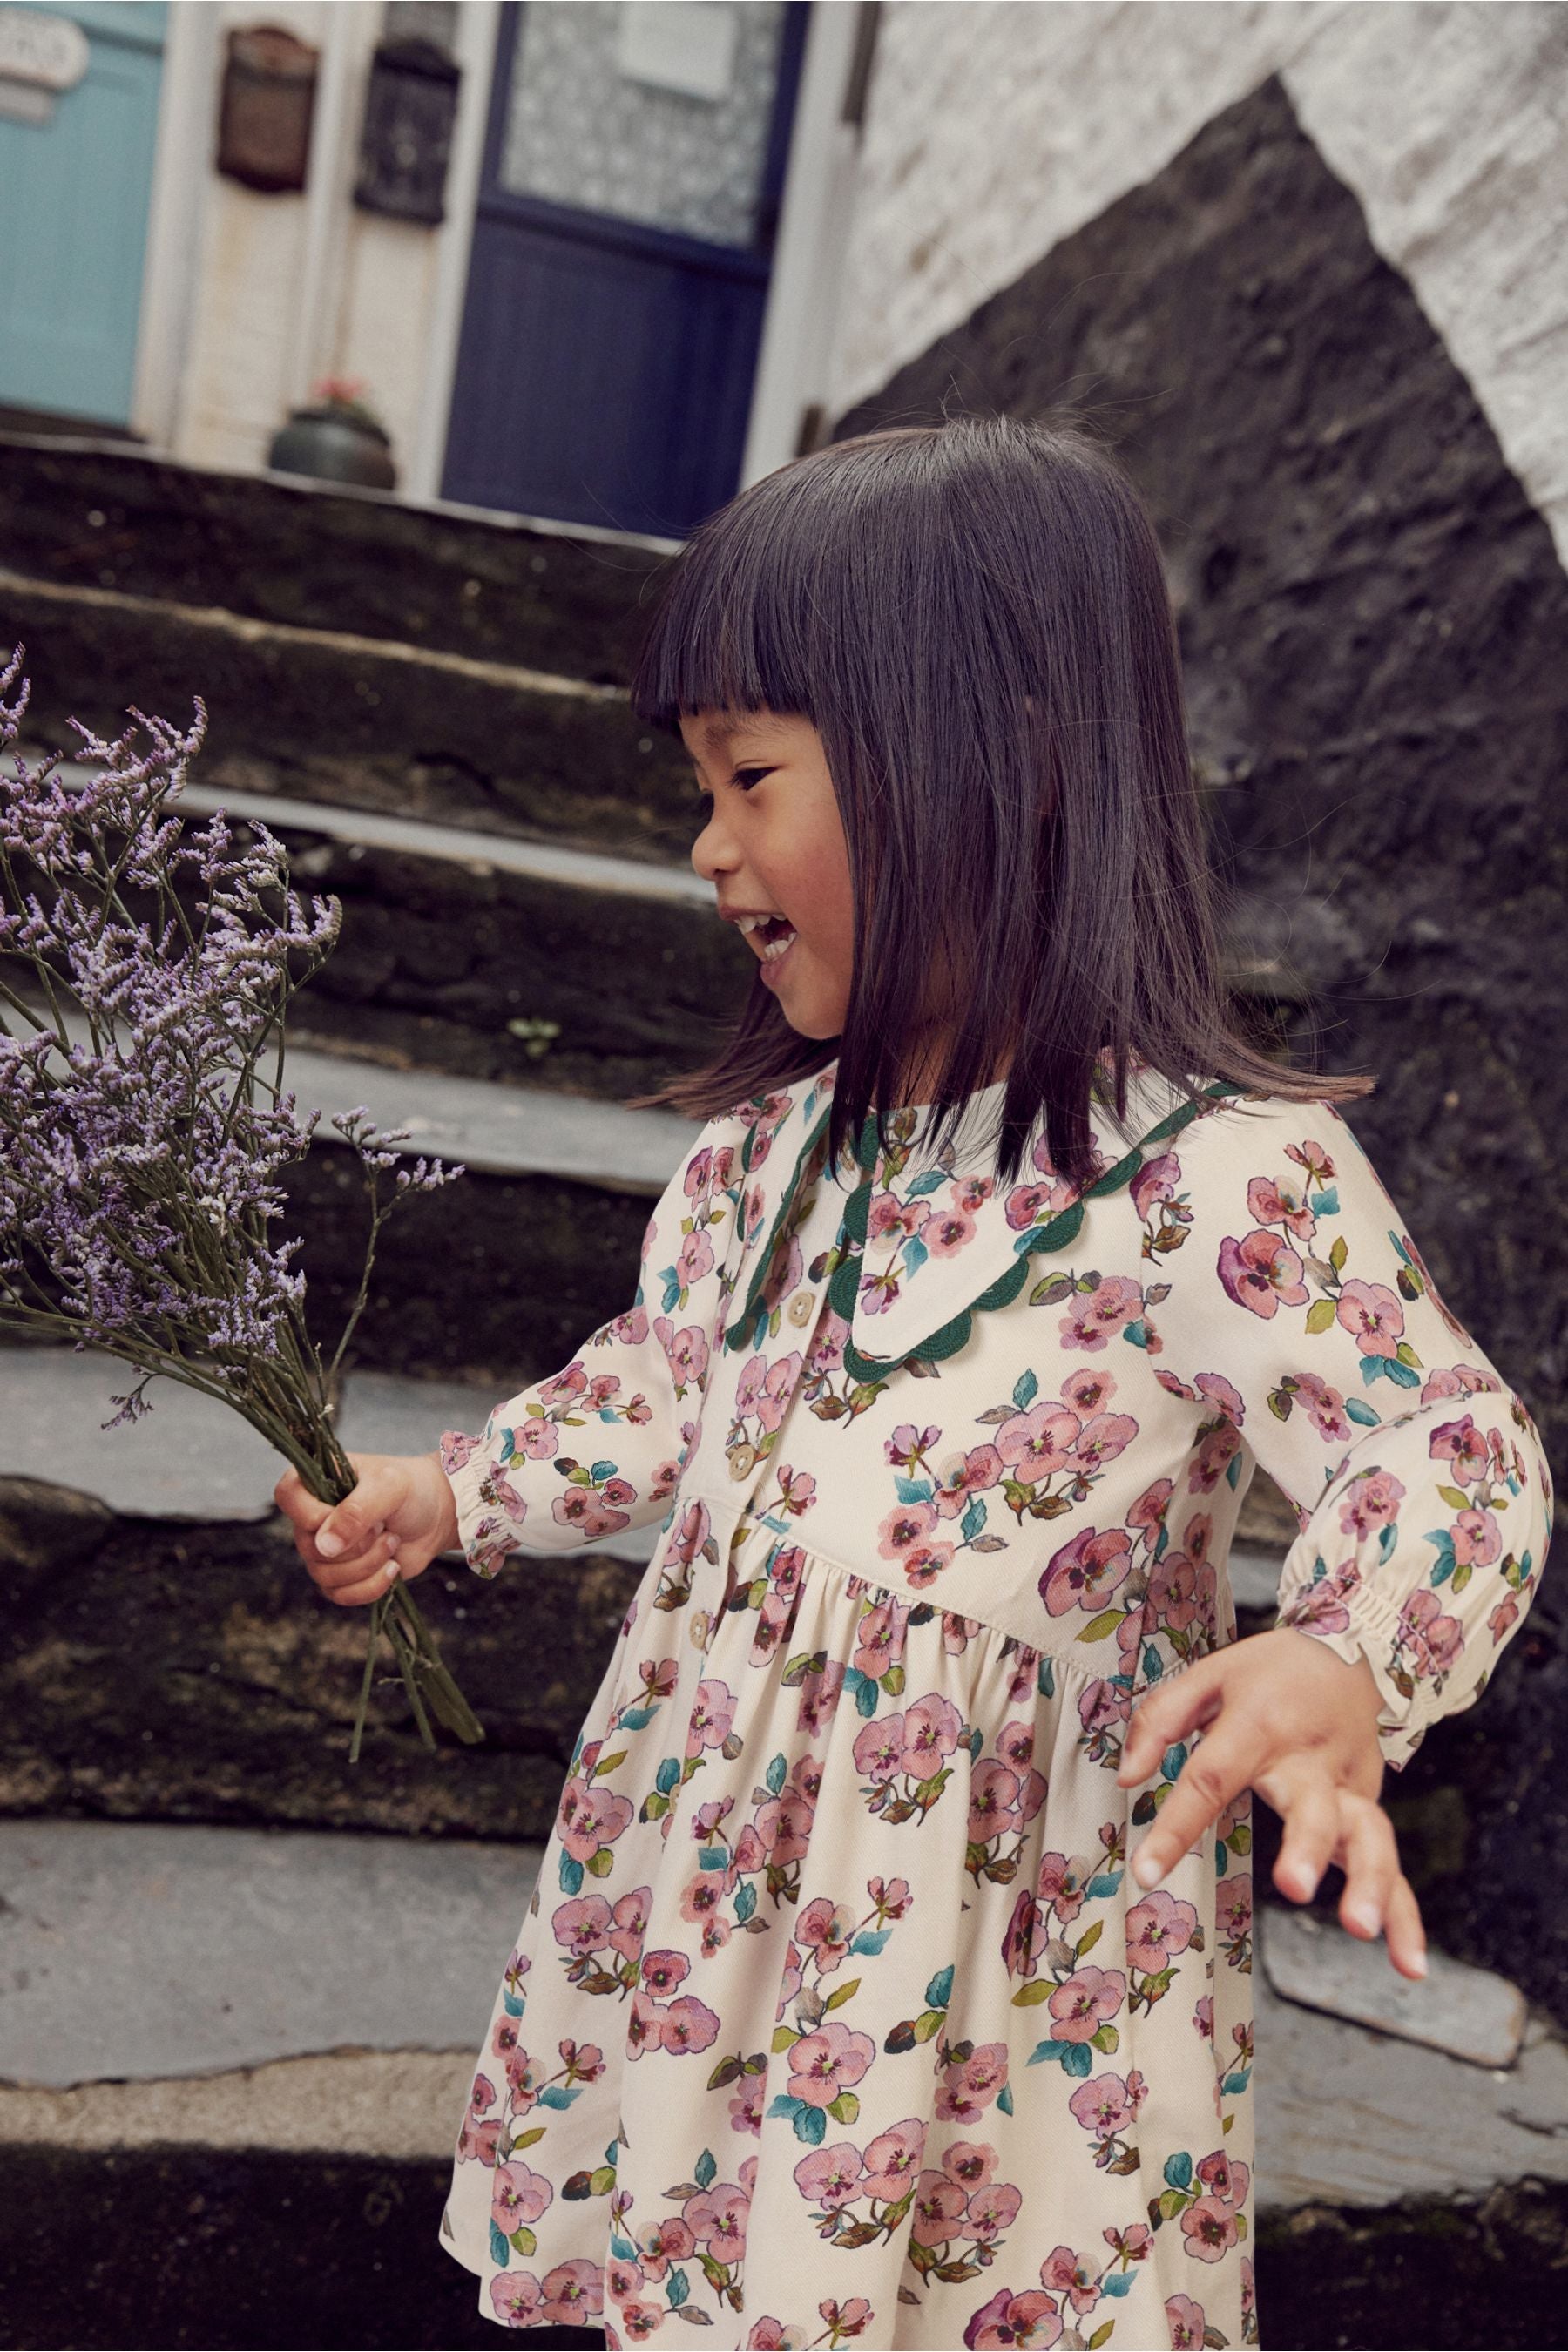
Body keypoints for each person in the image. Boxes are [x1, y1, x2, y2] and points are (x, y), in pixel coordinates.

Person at [274, 416, 1552, 2351]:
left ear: (1001, 764)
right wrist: (459, 1493)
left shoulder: (1215, 1178)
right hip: (712, 1923)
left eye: (753, 778)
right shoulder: (765, 1161)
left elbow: (1441, 1441)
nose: (707, 847)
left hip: (993, 1996)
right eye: (698, 787)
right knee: (698, 2279)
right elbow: (664, 1380)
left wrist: (1343, 1655)